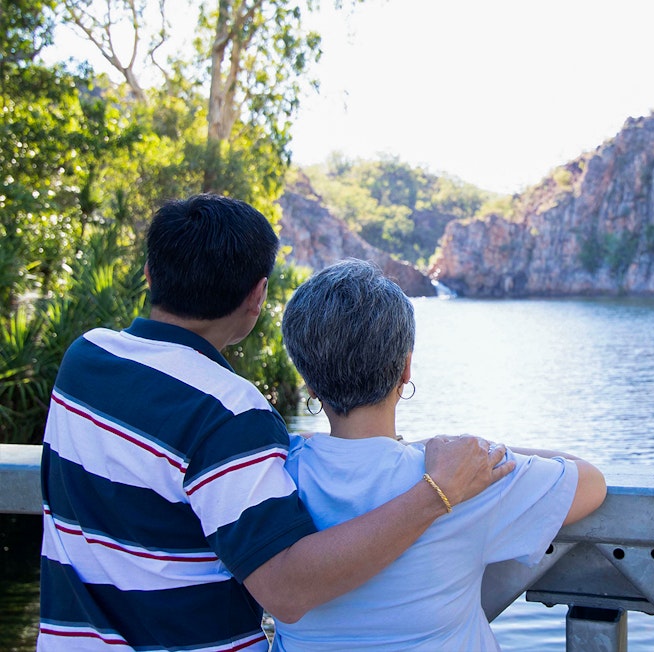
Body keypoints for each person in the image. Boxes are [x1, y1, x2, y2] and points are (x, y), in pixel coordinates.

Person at [38, 195, 514, 651]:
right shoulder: (227, 410)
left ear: (149, 274)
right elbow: (286, 590)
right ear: (257, 297)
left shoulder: (86, 358)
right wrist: (437, 492)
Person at [272, 258, 607, 651]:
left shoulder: (270, 473)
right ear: (406, 368)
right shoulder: (463, 481)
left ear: (308, 381)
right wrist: (473, 449)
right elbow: (589, 481)